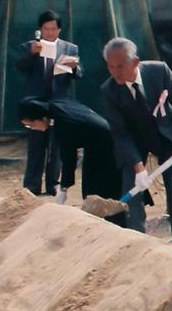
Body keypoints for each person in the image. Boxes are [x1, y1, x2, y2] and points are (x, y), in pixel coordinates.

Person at [99, 37, 172, 236]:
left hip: (165, 136)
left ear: (135, 62)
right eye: (110, 66)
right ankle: (137, 239)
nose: (115, 72)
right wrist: (138, 167)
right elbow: (120, 132)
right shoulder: (108, 90)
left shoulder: (159, 71)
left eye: (120, 66)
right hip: (134, 141)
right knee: (131, 188)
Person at [18, 97, 125, 227]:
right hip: (96, 145)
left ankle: (113, 224)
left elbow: (69, 157)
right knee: (90, 187)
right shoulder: (57, 107)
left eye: (31, 125)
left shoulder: (63, 123)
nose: (32, 128)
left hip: (108, 148)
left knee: (100, 190)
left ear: (42, 118)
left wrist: (63, 188)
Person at [16, 10, 81, 196]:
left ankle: (53, 183)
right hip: (37, 102)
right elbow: (20, 67)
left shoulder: (70, 48)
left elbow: (79, 74)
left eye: (53, 29)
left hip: (59, 101)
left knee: (56, 145)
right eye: (46, 29)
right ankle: (31, 185)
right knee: (36, 144)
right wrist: (31, 54)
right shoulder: (29, 46)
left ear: (59, 29)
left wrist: (74, 68)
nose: (50, 32)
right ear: (40, 29)